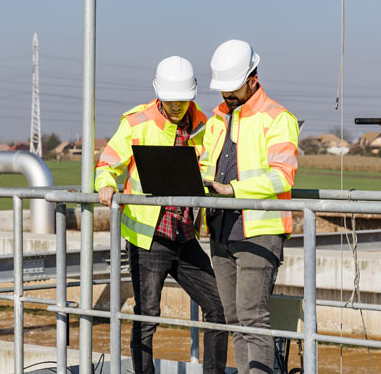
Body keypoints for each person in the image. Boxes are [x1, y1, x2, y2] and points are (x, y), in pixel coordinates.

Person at [95, 56, 228, 374]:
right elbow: (107, 163)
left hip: (184, 236)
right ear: (159, 95)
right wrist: (105, 185)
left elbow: (209, 170)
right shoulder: (135, 122)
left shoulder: (203, 126)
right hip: (148, 237)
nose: (177, 107)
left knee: (217, 308)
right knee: (147, 315)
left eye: (183, 101)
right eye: (171, 101)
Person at [199, 40, 299, 374]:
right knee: (234, 318)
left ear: (252, 80)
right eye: (223, 89)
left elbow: (282, 177)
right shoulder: (216, 121)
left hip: (258, 231)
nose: (226, 95)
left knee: (253, 318)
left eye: (232, 88)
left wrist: (234, 189)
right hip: (220, 230)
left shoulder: (278, 118)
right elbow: (204, 165)